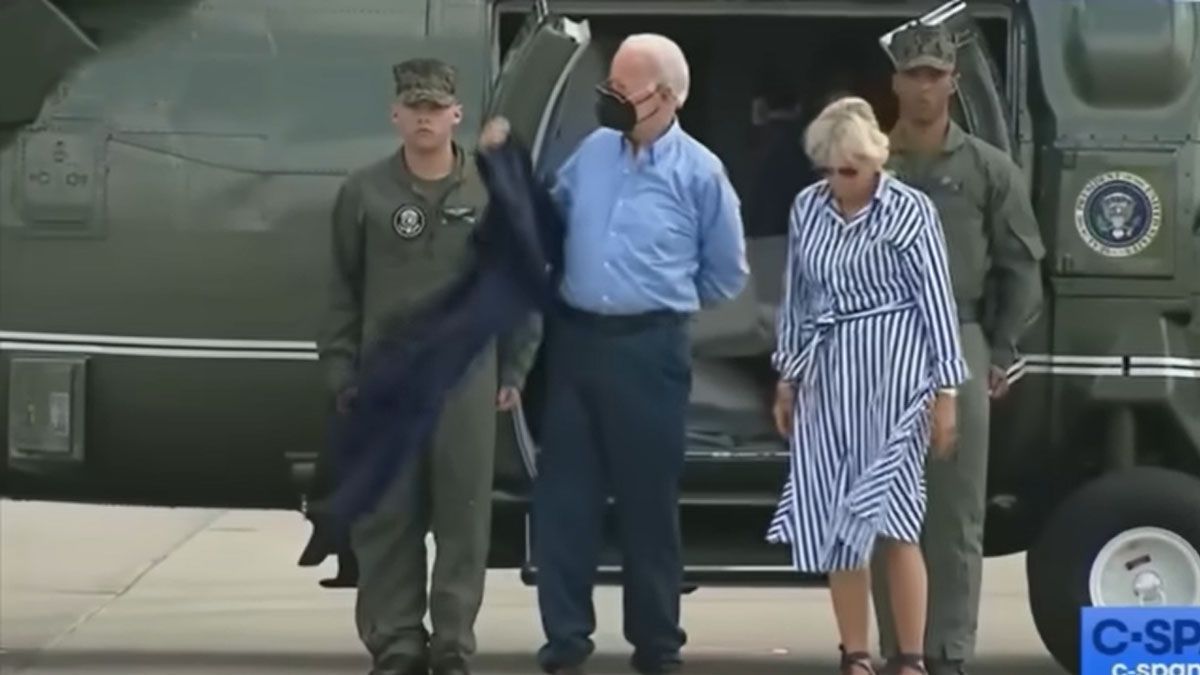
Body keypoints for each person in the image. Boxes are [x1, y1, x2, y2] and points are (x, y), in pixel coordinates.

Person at [485, 32, 749, 675]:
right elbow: (552, 219)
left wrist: (660, 303)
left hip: (649, 350)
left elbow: (726, 274)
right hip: (575, 345)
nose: (609, 100)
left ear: (664, 97)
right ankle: (566, 638)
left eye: (620, 90)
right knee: (564, 500)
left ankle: (657, 644)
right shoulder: (593, 153)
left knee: (647, 505)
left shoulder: (701, 174)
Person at [316, 57, 540, 675]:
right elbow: (342, 289)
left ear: (455, 115)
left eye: (435, 108)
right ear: (396, 115)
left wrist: (515, 370)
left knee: (463, 516)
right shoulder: (363, 192)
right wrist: (340, 371)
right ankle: (396, 641)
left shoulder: (490, 191)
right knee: (387, 515)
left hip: (465, 379)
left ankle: (451, 643)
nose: (424, 117)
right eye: (414, 107)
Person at [767, 96, 969, 675]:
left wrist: (945, 392)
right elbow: (799, 297)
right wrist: (789, 376)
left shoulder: (910, 211)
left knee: (898, 517)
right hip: (829, 372)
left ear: (873, 163)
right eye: (827, 170)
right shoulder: (808, 208)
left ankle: (909, 657)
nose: (837, 181)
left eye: (847, 170)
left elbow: (936, 301)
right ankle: (854, 653)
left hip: (896, 371)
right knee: (837, 521)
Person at [869, 24, 1046, 675]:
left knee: (954, 510)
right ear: (894, 80)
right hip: (879, 340)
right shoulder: (870, 163)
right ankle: (899, 647)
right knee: (887, 506)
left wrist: (1000, 349)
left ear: (953, 81)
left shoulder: (987, 170)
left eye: (933, 74)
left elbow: (1021, 267)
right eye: (911, 73)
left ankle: (947, 649)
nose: (923, 85)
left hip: (959, 340)